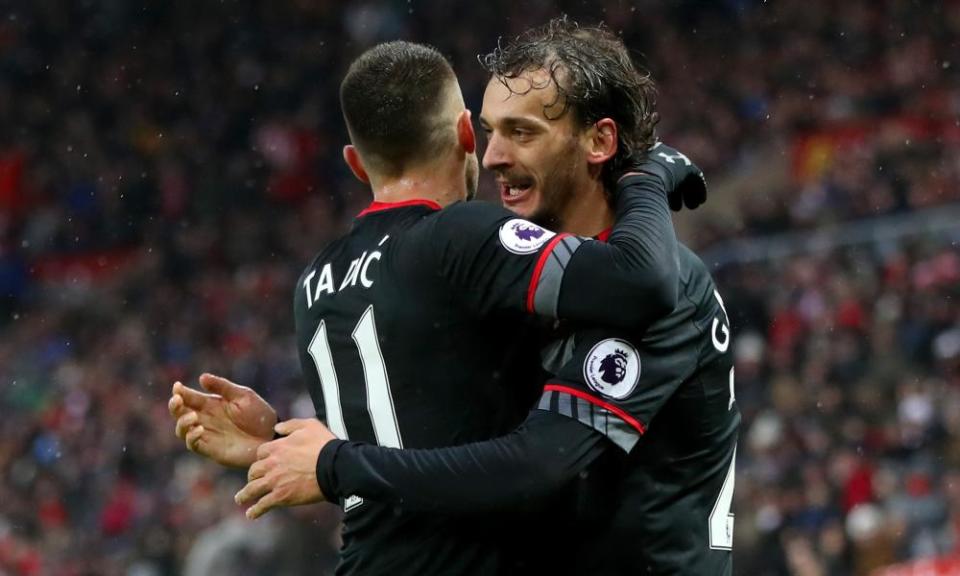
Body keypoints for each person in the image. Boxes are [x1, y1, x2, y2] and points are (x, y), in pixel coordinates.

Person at [170, 36, 704, 575]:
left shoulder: (315, 281)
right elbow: (639, 278)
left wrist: (275, 443)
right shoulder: (459, 237)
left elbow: (397, 441)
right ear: (466, 134)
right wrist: (648, 174)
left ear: (356, 164)